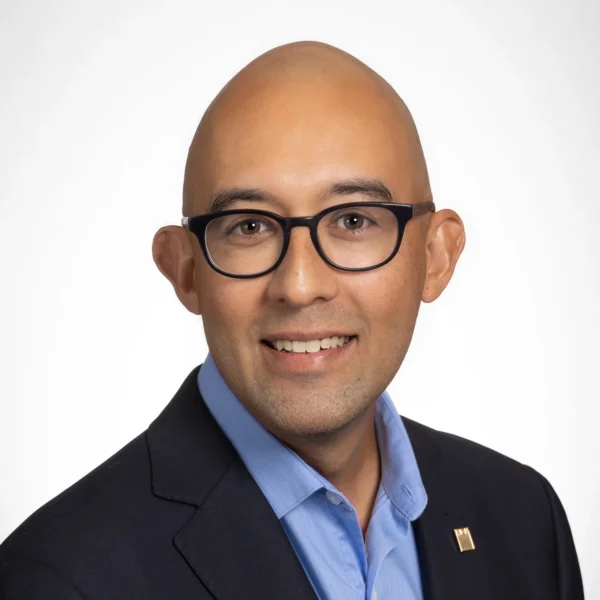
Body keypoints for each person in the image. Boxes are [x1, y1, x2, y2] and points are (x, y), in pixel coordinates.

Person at [0, 41, 584, 600]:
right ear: (185, 271)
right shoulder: (59, 580)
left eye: (354, 220)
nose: (300, 286)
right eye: (249, 226)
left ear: (436, 257)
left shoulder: (524, 519)